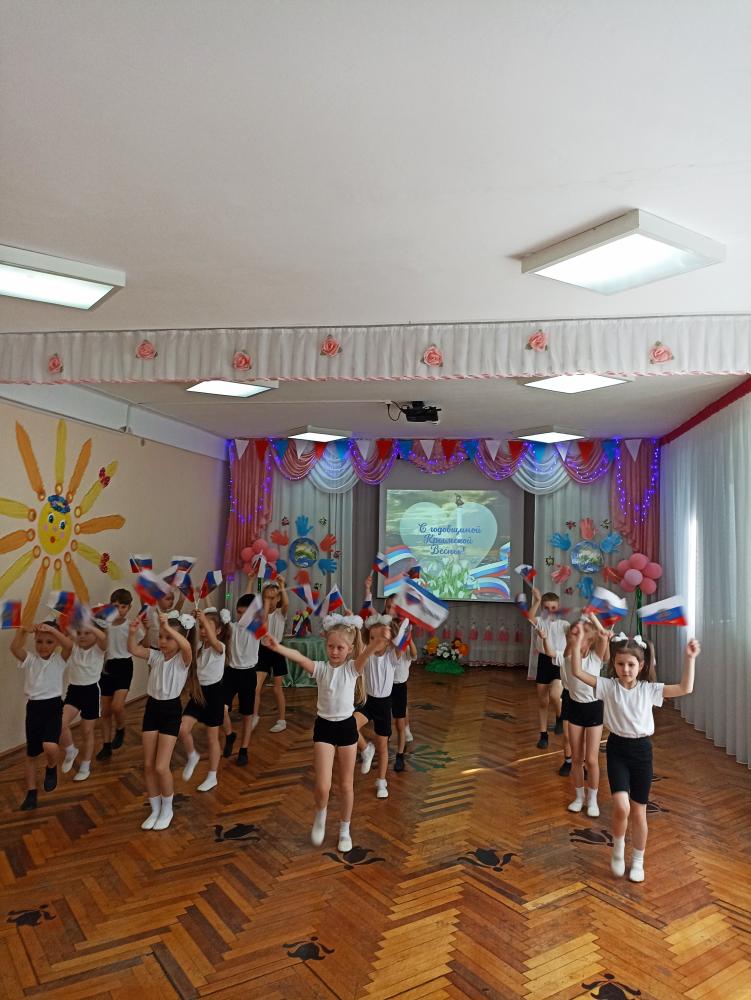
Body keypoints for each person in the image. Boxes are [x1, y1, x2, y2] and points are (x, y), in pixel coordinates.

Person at [569, 624, 700, 883]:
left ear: (641, 665)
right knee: (621, 806)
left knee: (639, 811)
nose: (625, 669)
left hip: (642, 752)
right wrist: (575, 643)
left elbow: (685, 688)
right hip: (617, 748)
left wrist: (690, 658)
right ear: (614, 665)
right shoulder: (608, 686)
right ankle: (618, 849)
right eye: (620, 664)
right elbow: (576, 671)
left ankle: (638, 860)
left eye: (631, 665)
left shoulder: (649, 690)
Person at [262, 614, 374, 852]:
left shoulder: (352, 669)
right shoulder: (321, 669)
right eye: (330, 646)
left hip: (347, 729)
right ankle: (320, 815)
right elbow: (300, 658)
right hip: (324, 728)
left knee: (346, 785)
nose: (334, 651)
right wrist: (278, 647)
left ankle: (344, 829)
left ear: (349, 649)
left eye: (340, 647)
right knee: (323, 786)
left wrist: (379, 642)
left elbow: (365, 655)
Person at [128, 610, 199, 830]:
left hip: (170, 711)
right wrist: (132, 633)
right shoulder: (155, 656)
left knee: (161, 767)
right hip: (152, 709)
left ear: (179, 638)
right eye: (161, 636)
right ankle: (155, 809)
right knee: (149, 765)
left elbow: (187, 647)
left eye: (169, 637)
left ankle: (167, 809)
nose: (163, 641)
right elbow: (133, 649)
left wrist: (167, 627)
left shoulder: (183, 660)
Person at [545, 614, 608, 817]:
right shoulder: (568, 658)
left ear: (589, 642)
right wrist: (575, 637)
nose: (572, 640)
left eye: (578, 638)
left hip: (594, 709)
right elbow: (571, 656)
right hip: (574, 709)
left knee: (591, 759)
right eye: (571, 637)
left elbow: (603, 636)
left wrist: (592, 618)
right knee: (577, 758)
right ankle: (579, 797)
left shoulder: (595, 658)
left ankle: (593, 800)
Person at [10, 620, 73, 810]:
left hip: (53, 707)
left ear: (56, 643)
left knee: (50, 745)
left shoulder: (60, 660)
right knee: (31, 755)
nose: (43, 646)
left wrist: (53, 630)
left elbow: (69, 645)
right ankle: (31, 793)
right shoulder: (30, 660)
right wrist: (23, 631)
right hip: (34, 709)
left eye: (49, 642)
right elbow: (15, 648)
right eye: (39, 641)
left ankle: (51, 767)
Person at [355, 614, 408, 799]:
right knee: (349, 725)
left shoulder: (391, 656)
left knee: (383, 746)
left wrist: (404, 625)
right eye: (372, 638)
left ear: (388, 641)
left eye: (380, 639)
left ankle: (381, 781)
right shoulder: (367, 654)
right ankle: (365, 749)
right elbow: (358, 646)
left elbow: (401, 644)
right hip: (368, 702)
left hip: (384, 705)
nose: (375, 642)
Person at [180, 607, 229, 791]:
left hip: (214, 694)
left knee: (212, 738)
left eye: (207, 627)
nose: (203, 630)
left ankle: (212, 775)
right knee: (182, 729)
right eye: (201, 627)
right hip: (199, 694)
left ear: (218, 630)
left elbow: (214, 641)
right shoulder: (199, 648)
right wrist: (193, 621)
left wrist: (203, 620)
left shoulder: (220, 647)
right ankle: (192, 755)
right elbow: (188, 640)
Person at [60, 618, 107, 782]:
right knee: (59, 723)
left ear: (94, 633)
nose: (82, 636)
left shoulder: (98, 649)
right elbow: (66, 629)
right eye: (79, 633)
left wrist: (89, 626)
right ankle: (71, 750)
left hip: (91, 692)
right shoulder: (73, 645)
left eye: (87, 633)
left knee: (87, 731)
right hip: (74, 691)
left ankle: (85, 766)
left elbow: (103, 638)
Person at [97, 588, 135, 760]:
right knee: (105, 711)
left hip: (124, 666)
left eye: (123, 606)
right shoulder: (104, 624)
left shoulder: (130, 625)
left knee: (117, 706)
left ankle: (120, 729)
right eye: (115, 606)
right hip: (107, 667)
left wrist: (146, 628)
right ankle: (106, 746)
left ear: (129, 608)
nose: (119, 610)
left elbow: (144, 643)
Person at [528, 587, 569, 750]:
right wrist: (537, 600)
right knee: (543, 701)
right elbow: (530, 617)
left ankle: (560, 716)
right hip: (544, 661)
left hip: (558, 661)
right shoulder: (540, 621)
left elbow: (575, 632)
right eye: (546, 608)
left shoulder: (564, 624)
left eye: (553, 607)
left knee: (555, 695)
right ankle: (543, 734)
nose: (550, 611)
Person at [222, 593, 260, 765]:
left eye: (246, 613)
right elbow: (214, 620)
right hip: (230, 673)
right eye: (239, 612)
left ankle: (244, 749)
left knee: (247, 714)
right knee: (221, 709)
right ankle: (230, 735)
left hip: (248, 674)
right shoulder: (231, 627)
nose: (241, 616)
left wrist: (267, 598)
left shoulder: (256, 629)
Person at [252, 579, 289, 733]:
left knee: (277, 688)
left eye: (273, 598)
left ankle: (282, 720)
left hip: (277, 651)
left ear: (278, 598)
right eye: (267, 598)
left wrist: (282, 586)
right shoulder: (261, 614)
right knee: (256, 687)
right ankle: (254, 716)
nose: (270, 600)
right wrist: (266, 602)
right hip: (263, 651)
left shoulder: (281, 613)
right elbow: (263, 623)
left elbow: (286, 604)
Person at [391, 622, 417, 773]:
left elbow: (414, 655)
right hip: (386, 688)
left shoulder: (406, 648)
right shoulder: (388, 648)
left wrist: (409, 640)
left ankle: (400, 755)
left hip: (399, 688)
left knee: (399, 723)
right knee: (386, 720)